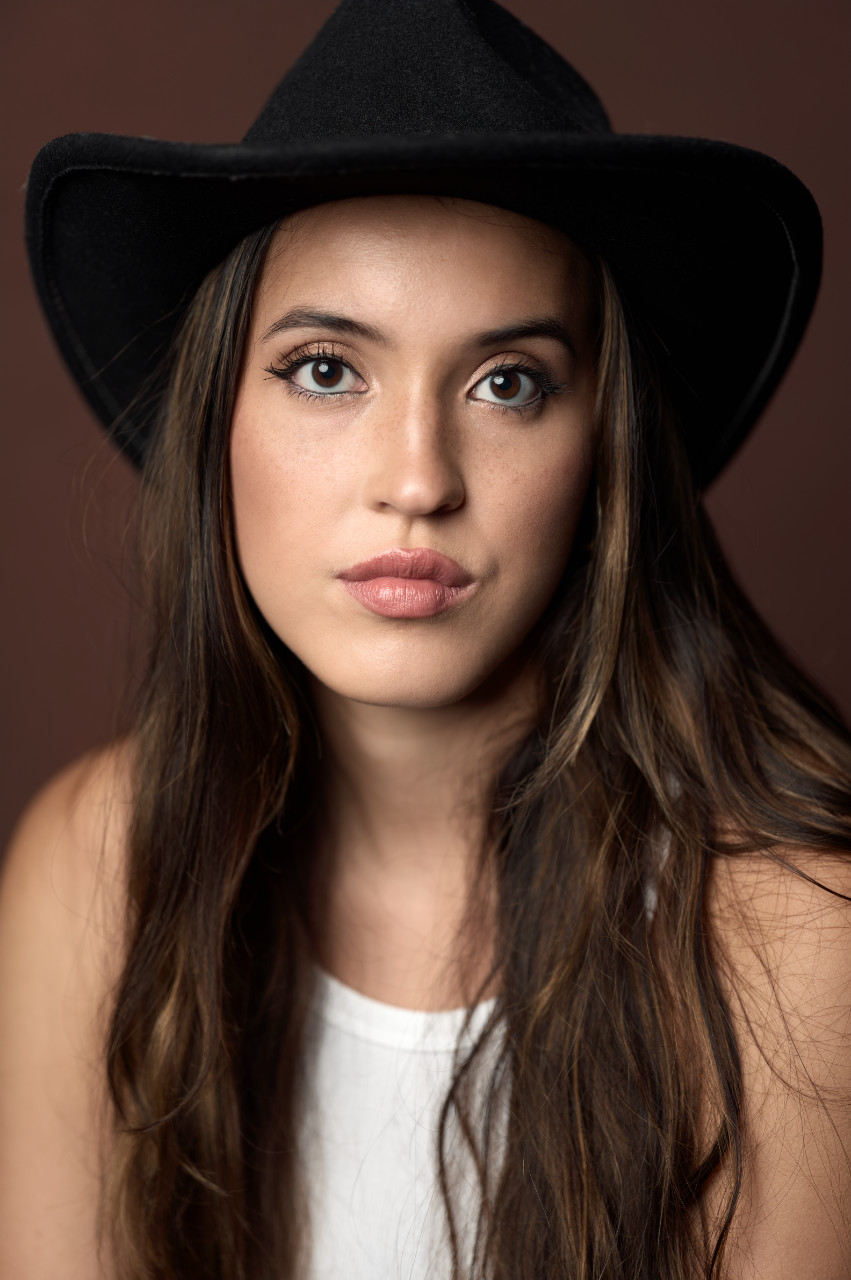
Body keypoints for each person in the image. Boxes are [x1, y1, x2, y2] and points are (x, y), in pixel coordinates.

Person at [2, 0, 849, 1277]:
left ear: (604, 452)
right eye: (325, 368)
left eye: (507, 382)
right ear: (216, 416)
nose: (417, 479)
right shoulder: (97, 867)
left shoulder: (795, 936)